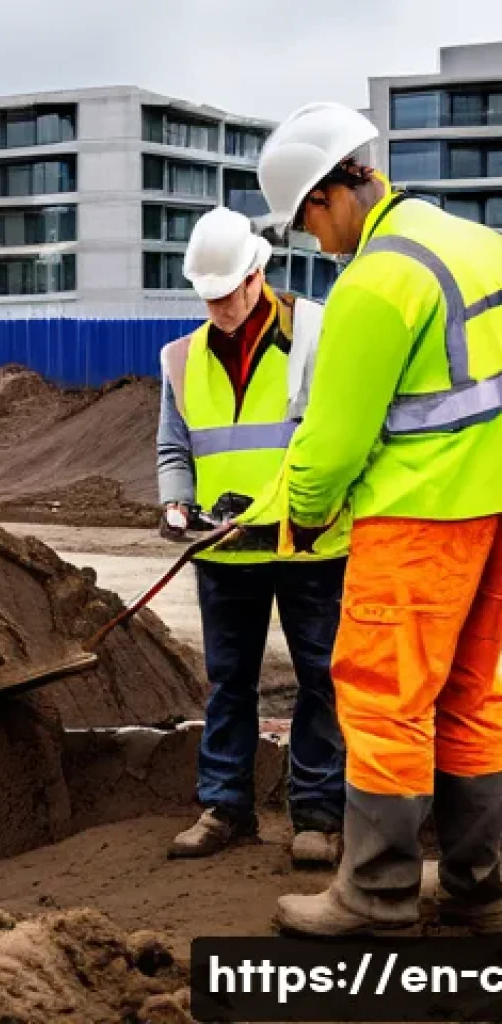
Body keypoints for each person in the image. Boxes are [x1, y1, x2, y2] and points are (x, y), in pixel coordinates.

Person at [251, 102, 502, 935]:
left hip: (419, 519)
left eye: (306, 225)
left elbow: (330, 446)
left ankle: (378, 893)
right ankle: (475, 881)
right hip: (494, 513)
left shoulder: (374, 282)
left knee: (383, 699)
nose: (316, 245)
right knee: (474, 696)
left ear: (328, 196)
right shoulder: (480, 244)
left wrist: (307, 517)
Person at [157, 206, 349, 867]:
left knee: (321, 679)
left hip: (309, 543)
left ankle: (320, 817)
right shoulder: (180, 359)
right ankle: (225, 806)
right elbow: (173, 447)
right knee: (228, 680)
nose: (219, 307)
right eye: (207, 296)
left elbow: (336, 440)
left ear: (257, 275)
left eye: (228, 292)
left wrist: (278, 507)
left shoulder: (319, 338)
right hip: (226, 549)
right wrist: (177, 503)